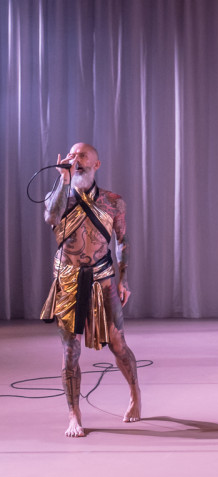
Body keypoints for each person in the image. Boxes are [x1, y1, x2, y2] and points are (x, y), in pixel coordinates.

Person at [40, 143, 141, 437]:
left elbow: (122, 241)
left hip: (104, 279)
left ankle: (135, 395)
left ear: (97, 164)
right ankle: (74, 414)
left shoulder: (113, 202)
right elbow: (51, 217)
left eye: (82, 156)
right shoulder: (58, 197)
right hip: (69, 279)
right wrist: (64, 180)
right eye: (72, 155)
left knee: (117, 343)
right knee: (70, 351)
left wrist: (123, 279)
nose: (76, 159)